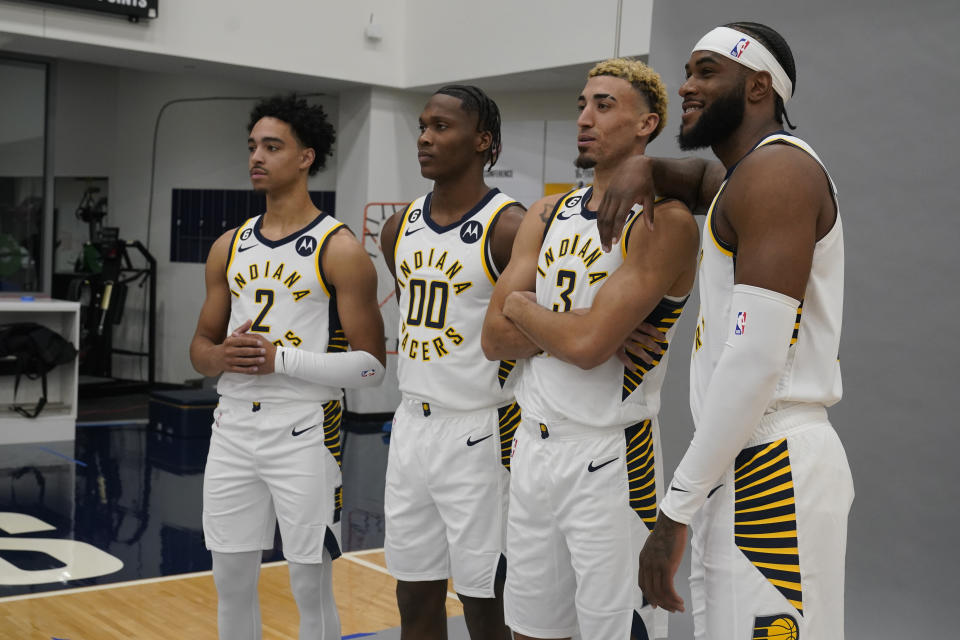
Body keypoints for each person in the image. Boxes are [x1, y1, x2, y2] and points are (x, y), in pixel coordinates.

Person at [598, 22, 854, 640]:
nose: (686, 86)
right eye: (687, 71)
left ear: (759, 86)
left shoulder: (778, 177)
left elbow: (756, 362)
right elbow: (706, 182)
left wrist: (674, 511)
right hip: (737, 461)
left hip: (772, 463)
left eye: (707, 71)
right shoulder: (748, 178)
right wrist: (649, 169)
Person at [481, 59, 699, 640]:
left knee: (615, 631)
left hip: (610, 459)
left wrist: (529, 310)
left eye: (604, 106)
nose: (584, 117)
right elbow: (491, 339)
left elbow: (582, 346)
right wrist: (574, 327)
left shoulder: (667, 221)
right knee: (529, 630)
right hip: (532, 446)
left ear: (647, 124)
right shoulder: (549, 213)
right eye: (583, 103)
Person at [190, 94, 386, 640]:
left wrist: (283, 359)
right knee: (229, 579)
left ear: (306, 157)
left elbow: (372, 368)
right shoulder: (228, 246)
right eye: (253, 146)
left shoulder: (340, 247)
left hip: (304, 429)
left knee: (309, 581)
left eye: (272, 147)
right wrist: (221, 356)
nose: (257, 156)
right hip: (230, 426)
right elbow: (200, 349)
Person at [378, 85, 525, 640]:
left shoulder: (509, 228)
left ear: (483, 141)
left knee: (485, 604)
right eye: (422, 126)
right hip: (411, 427)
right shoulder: (398, 228)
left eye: (440, 127)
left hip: (481, 433)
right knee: (413, 598)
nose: (424, 137)